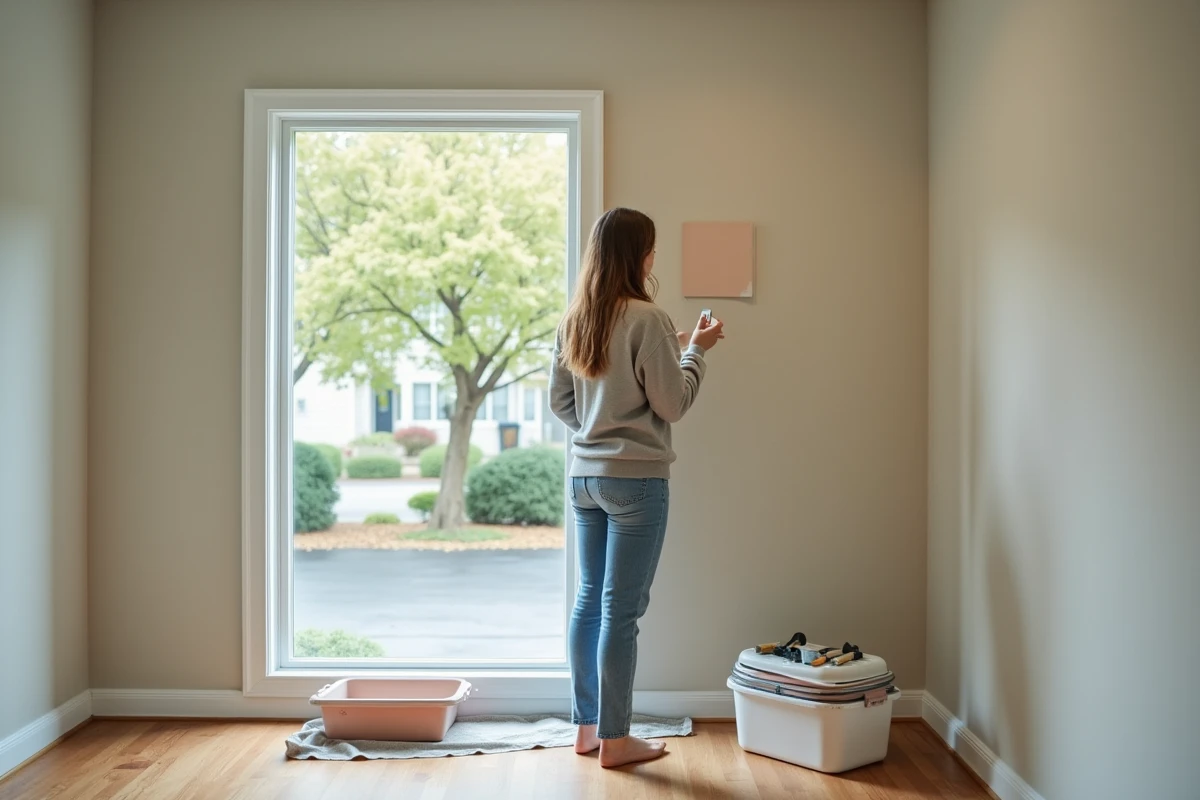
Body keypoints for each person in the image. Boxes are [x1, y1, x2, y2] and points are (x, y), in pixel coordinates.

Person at [549, 207, 725, 768]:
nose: (655, 257)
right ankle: (618, 742)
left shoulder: (577, 318)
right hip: (636, 484)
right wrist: (695, 352)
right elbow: (672, 402)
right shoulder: (647, 318)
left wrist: (598, 433)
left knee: (589, 603)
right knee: (620, 612)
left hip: (583, 480)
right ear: (637, 255)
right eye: (650, 248)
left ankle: (587, 730)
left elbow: (563, 402)